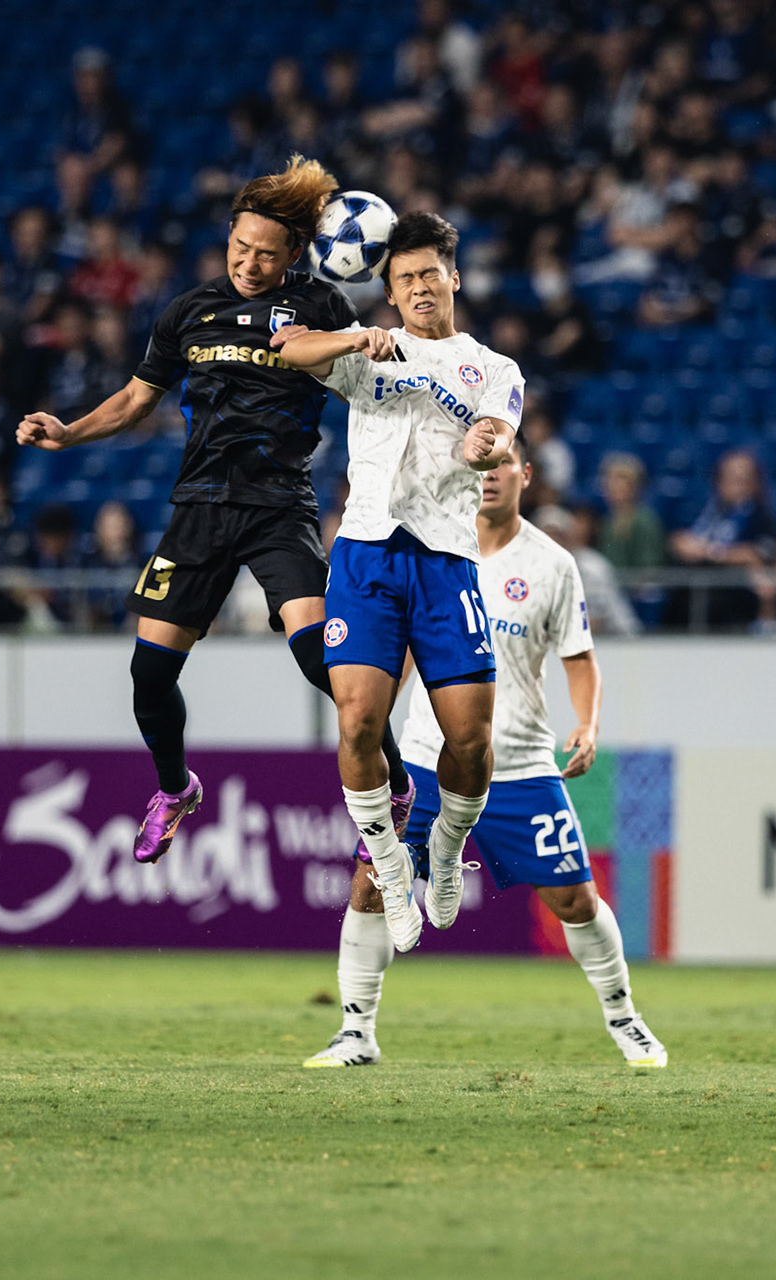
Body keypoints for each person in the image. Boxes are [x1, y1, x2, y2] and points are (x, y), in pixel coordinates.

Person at [16, 157, 416, 863]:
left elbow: (365, 387)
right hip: (199, 508)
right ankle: (175, 789)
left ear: (298, 253)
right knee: (148, 676)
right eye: (240, 249)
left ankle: (397, 785)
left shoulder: (322, 307)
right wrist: (71, 431)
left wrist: (370, 339)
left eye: (267, 254)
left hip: (277, 506)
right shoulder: (187, 313)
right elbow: (138, 399)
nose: (251, 264)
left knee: (321, 659)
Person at [303, 435, 664, 1069]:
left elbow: (579, 658)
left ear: (526, 474)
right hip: (421, 755)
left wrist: (588, 724)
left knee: (577, 900)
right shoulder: (432, 549)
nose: (491, 474)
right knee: (370, 883)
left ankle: (623, 1016)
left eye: (504, 464)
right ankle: (355, 1030)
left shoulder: (553, 564)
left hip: (521, 763)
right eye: (483, 463)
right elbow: (398, 646)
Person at [273, 211, 520, 953]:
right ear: (387, 290)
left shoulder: (493, 367)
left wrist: (489, 444)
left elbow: (501, 426)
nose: (417, 287)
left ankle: (446, 846)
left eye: (428, 274)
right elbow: (287, 348)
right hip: (366, 556)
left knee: (471, 742)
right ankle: (388, 857)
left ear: (454, 277)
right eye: (403, 277)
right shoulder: (369, 352)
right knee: (357, 724)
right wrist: (353, 337)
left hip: (446, 561)